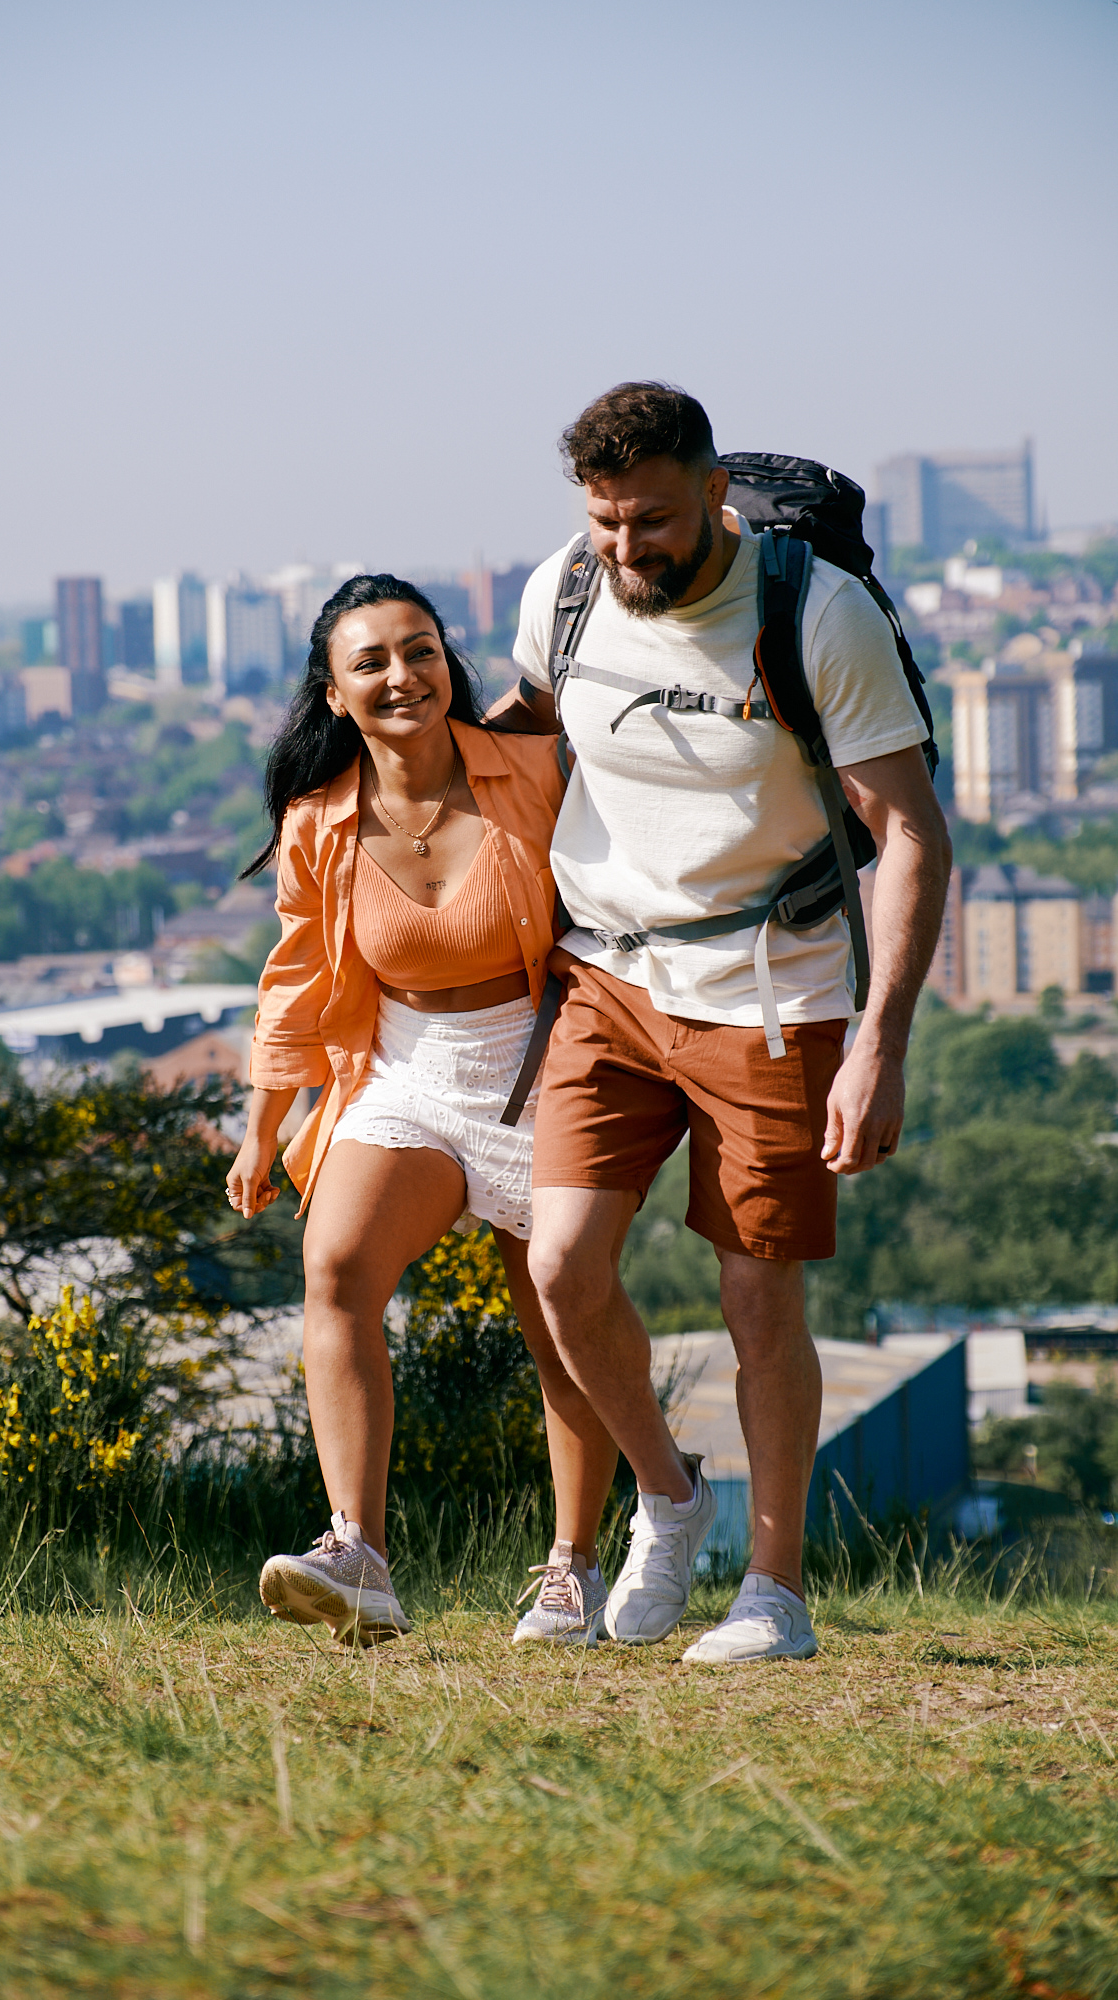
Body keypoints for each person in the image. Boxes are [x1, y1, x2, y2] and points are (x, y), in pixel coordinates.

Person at [491, 382, 952, 1663]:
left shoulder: (815, 611)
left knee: (758, 1301)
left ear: (713, 494)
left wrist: (881, 1041)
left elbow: (908, 831)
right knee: (562, 1267)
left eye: (649, 521)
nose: (625, 552)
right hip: (605, 975)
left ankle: (774, 1592)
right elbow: (523, 738)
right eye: (602, 524)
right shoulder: (563, 593)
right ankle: (671, 1496)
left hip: (773, 988)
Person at [225, 574, 620, 1648]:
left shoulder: (532, 770)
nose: (402, 676)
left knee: (559, 1322)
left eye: (421, 650)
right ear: (336, 692)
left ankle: (572, 1564)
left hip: (544, 1062)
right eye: (373, 662)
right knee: (337, 1264)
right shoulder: (320, 819)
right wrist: (265, 1120)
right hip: (402, 1071)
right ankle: (357, 1551)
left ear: (449, 662)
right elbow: (298, 974)